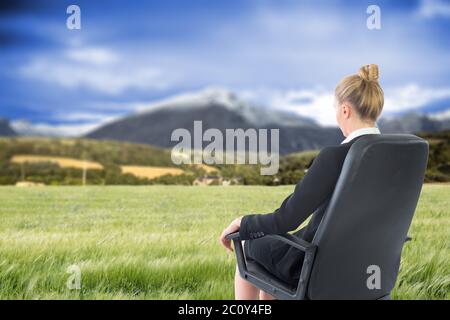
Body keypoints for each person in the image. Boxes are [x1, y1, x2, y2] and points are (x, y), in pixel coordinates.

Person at [219, 64, 385, 300]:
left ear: (345, 110)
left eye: (335, 108)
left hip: (316, 266)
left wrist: (242, 223)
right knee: (269, 264)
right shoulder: (397, 156)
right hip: (368, 264)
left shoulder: (336, 156)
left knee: (247, 250)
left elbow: (286, 218)